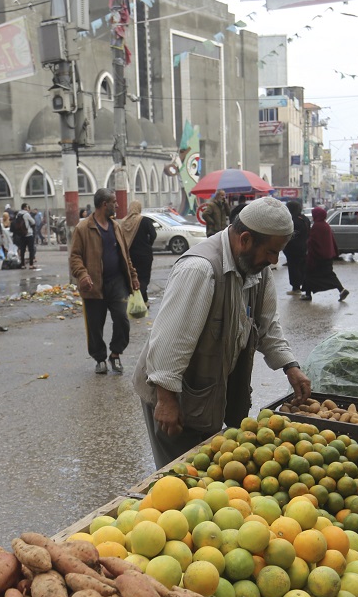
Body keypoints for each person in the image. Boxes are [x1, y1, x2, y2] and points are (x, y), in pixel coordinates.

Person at [131, 197, 312, 468]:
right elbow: (170, 342)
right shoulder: (200, 269)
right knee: (179, 477)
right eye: (272, 252)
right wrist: (166, 400)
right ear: (246, 239)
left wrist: (290, 366)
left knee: (206, 473)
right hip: (173, 396)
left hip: (207, 393)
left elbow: (267, 325)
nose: (274, 261)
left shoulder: (257, 271)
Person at [69, 188, 139, 375]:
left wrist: (133, 276)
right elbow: (74, 256)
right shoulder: (83, 228)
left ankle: (115, 354)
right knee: (95, 325)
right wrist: (83, 275)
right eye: (114, 202)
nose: (117, 205)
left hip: (116, 282)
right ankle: (99, 358)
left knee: (122, 319)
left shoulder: (116, 226)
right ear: (104, 204)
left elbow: (125, 254)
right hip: (93, 285)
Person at [300, 207, 349, 302]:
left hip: (318, 257)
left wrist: (307, 244)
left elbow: (313, 242)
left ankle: (308, 294)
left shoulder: (317, 226)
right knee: (328, 275)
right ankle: (341, 290)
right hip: (327, 256)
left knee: (310, 274)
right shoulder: (325, 225)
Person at [120, 200, 157, 304]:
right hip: (145, 255)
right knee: (144, 278)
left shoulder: (123, 222)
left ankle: (144, 301)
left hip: (130, 255)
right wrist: (148, 244)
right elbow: (153, 235)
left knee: (133, 277)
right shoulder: (144, 220)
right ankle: (138, 301)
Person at [282, 199, 309, 295]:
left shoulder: (292, 220)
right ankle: (303, 286)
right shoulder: (305, 219)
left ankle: (296, 287)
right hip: (304, 247)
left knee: (293, 267)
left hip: (293, 248)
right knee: (302, 267)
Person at [13, 202, 37, 269]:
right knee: (31, 249)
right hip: (28, 234)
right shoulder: (26, 214)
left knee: (22, 250)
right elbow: (33, 222)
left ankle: (22, 264)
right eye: (27, 207)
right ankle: (31, 264)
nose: (28, 209)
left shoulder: (18, 214)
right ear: (25, 208)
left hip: (21, 234)